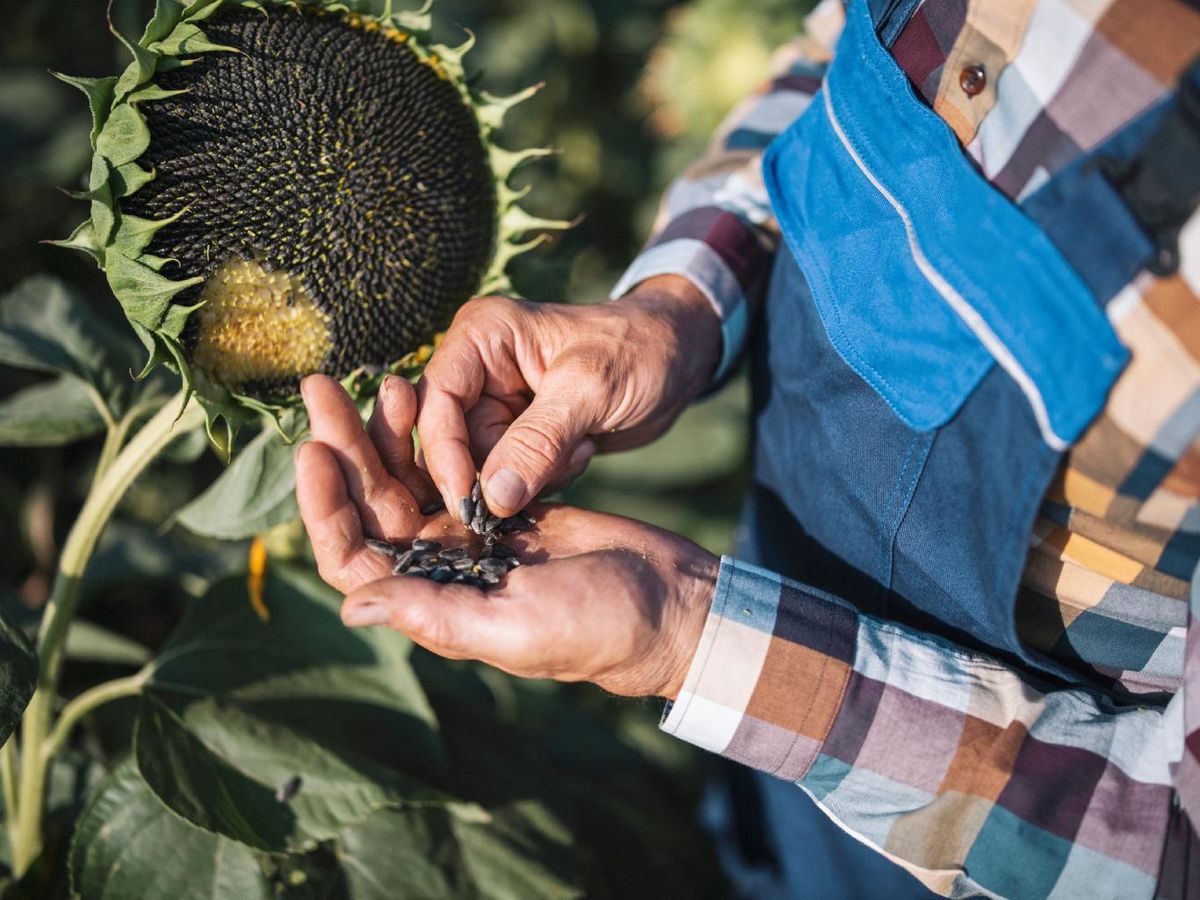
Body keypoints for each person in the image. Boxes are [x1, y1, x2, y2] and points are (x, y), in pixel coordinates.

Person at [295, 0, 1200, 895]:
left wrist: (686, 638)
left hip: (983, 828)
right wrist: (677, 306)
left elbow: (1179, 846)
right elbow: (841, 48)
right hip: (754, 655)